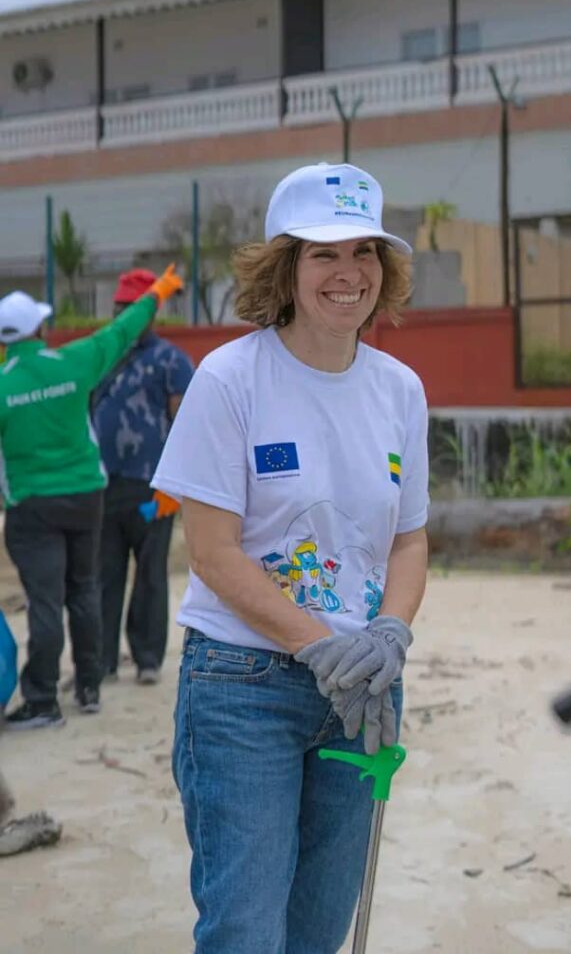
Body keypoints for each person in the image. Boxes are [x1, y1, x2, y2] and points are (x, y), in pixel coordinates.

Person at [152, 162, 429, 953]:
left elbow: (409, 538)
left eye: (365, 252)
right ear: (286, 266)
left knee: (318, 929)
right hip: (244, 689)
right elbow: (212, 554)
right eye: (323, 254)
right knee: (246, 931)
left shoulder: (400, 389)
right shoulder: (230, 379)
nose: (349, 273)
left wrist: (390, 633)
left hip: (361, 691)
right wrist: (319, 646)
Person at [0, 266, 183, 730]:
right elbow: (120, 332)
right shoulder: (75, 361)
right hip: (90, 495)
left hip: (41, 502)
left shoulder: (5, 385)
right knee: (88, 586)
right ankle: (90, 683)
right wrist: (156, 293)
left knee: (50, 599)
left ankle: (46, 698)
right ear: (38, 328)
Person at [92, 269, 194, 685]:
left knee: (151, 572)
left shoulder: (171, 360)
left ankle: (148, 657)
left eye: (130, 308)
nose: (121, 315)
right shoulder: (101, 356)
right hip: (104, 485)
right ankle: (101, 661)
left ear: (150, 313)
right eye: (118, 308)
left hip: (154, 488)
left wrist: (179, 486)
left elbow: (187, 424)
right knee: (104, 573)